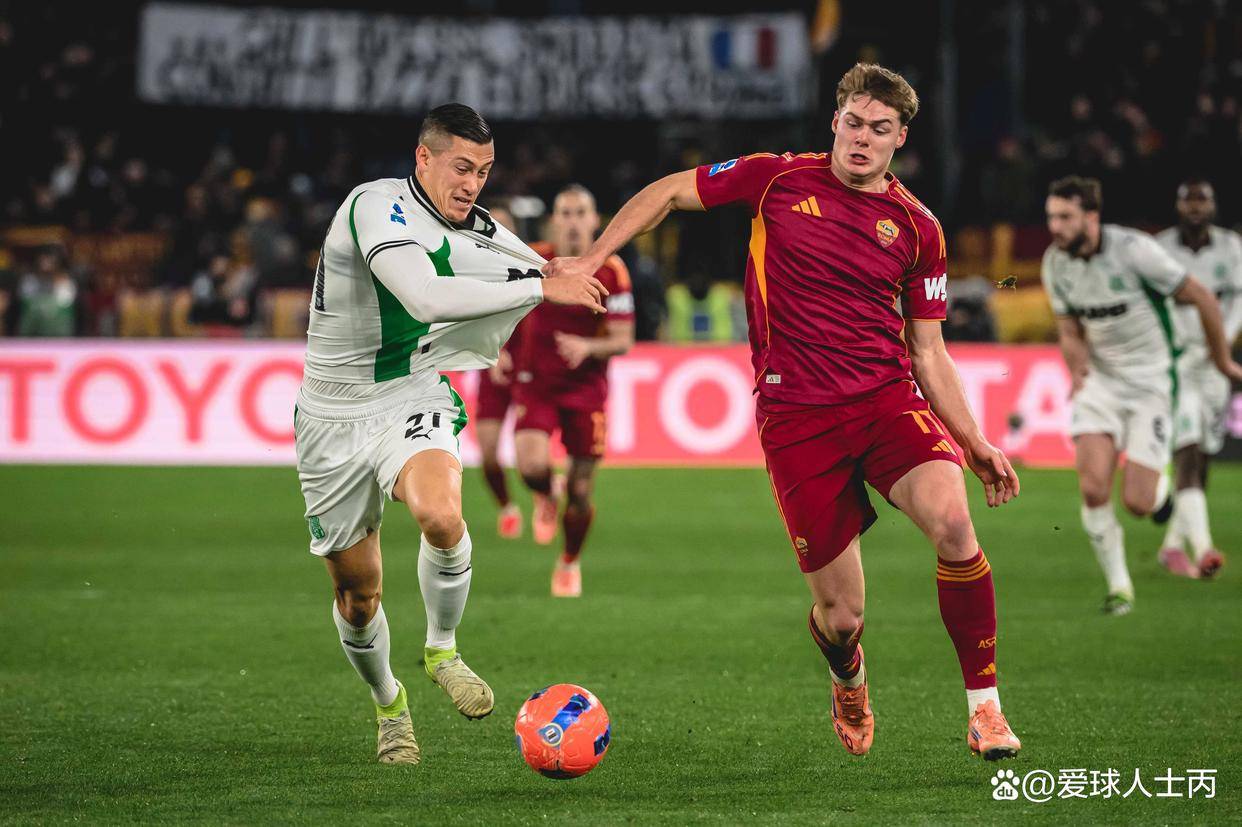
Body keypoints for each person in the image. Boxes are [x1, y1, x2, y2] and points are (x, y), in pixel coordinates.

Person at [545, 63, 1022, 759]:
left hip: (887, 403)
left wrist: (973, 441)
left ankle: (986, 710)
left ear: (900, 138)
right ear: (835, 121)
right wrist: (591, 259)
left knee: (954, 522)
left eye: (879, 129)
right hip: (797, 420)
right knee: (843, 617)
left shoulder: (919, 227)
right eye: (853, 123)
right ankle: (848, 676)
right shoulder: (775, 179)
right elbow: (669, 191)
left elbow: (928, 351)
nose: (862, 138)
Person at [295, 103, 606, 764]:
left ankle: (442, 650)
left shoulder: (478, 225)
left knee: (441, 515)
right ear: (423, 158)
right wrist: (538, 286)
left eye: (484, 171)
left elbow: (532, 263)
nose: (472, 184)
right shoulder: (374, 208)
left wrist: (555, 273)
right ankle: (390, 705)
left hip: (411, 391)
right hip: (331, 416)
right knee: (358, 596)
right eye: (461, 167)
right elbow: (427, 296)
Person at [1041, 176, 1242, 616]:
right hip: (1101, 383)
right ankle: (1120, 587)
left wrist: (1223, 361)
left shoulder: (1135, 251)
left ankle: (1160, 493)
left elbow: (1203, 298)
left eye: (1065, 217)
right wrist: (1077, 368)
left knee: (1137, 502)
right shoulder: (1055, 262)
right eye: (1051, 217)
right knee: (1093, 487)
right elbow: (1069, 328)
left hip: (1152, 382)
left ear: (1091, 217)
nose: (1055, 226)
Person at [515, 184, 635, 596]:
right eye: (564, 213)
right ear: (553, 220)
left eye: (580, 213)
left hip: (586, 389)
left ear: (595, 220)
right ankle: (547, 493)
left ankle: (569, 561)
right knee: (531, 467)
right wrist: (499, 351)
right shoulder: (532, 259)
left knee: (581, 490)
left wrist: (587, 347)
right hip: (537, 383)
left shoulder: (612, 270)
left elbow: (622, 339)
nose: (572, 222)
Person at [1155, 179, 1242, 578]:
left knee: (1204, 453)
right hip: (1178, 362)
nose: (1195, 207)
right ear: (1177, 206)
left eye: (1201, 200)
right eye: (1188, 200)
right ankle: (1204, 548)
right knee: (1187, 448)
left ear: (1212, 205)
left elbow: (1238, 300)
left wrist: (1222, 341)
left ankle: (1173, 546)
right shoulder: (1161, 248)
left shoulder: (1231, 247)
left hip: (1215, 363)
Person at [471, 202, 528, 539]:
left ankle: (545, 493)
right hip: (489, 366)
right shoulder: (470, 269)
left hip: (527, 368)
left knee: (529, 454)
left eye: (505, 226)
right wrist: (490, 351)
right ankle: (507, 506)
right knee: (489, 453)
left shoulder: (532, 266)